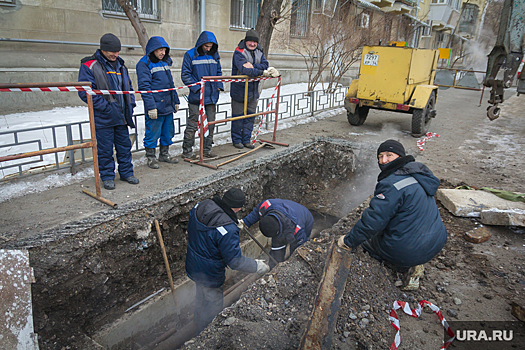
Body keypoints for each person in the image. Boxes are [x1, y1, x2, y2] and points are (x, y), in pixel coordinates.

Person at [338, 139, 448, 290]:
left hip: (408, 250)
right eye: (380, 156)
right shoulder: (418, 175)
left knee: (367, 241)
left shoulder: (391, 184)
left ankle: (403, 268)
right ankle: (414, 259)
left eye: (389, 155)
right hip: (436, 241)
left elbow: (373, 221)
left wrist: (348, 241)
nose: (384, 161)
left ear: (400, 156)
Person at [185, 188, 269, 335]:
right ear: (238, 208)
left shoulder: (202, 206)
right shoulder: (228, 230)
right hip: (210, 273)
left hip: (194, 263)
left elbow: (205, 231)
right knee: (213, 304)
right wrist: (256, 266)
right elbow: (235, 261)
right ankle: (206, 333)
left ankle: (197, 321)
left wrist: (230, 222)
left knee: (201, 294)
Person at [78, 33, 139, 190]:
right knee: (105, 150)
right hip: (103, 117)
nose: (116, 55)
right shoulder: (89, 65)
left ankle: (126, 173)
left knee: (124, 147)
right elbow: (85, 92)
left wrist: (130, 104)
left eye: (118, 51)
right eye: (112, 52)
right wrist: (106, 107)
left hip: (122, 115)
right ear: (103, 49)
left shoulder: (121, 65)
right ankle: (107, 176)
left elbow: (129, 88)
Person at [136, 36, 181, 169]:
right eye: (160, 50)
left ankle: (164, 154)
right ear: (152, 50)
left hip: (167, 104)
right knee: (153, 132)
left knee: (168, 131)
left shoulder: (165, 62)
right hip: (155, 105)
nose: (162, 53)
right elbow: (144, 87)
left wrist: (176, 100)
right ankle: (150, 157)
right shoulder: (144, 64)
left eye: (164, 50)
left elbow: (171, 83)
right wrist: (151, 107)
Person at [230, 29, 278, 149]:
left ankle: (246, 139)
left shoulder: (259, 51)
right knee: (238, 117)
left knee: (250, 116)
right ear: (246, 41)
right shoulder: (239, 52)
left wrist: (254, 67)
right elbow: (245, 70)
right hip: (239, 91)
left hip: (252, 91)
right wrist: (261, 72)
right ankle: (236, 140)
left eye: (254, 42)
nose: (252, 44)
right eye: (250, 41)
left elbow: (265, 64)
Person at [181, 31, 223, 159]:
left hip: (211, 96)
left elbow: (218, 72)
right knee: (193, 124)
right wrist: (198, 88)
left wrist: (218, 86)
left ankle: (206, 150)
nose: (208, 48)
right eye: (206, 46)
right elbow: (185, 75)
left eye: (210, 46)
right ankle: (187, 151)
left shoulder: (214, 55)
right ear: (201, 44)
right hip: (196, 97)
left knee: (210, 124)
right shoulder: (190, 55)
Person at [239, 198, 314, 268]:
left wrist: (293, 263)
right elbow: (256, 213)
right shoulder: (266, 205)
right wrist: (245, 222)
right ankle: (274, 267)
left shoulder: (298, 229)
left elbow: (300, 247)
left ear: (278, 232)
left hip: (306, 217)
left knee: (295, 249)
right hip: (284, 212)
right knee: (277, 247)